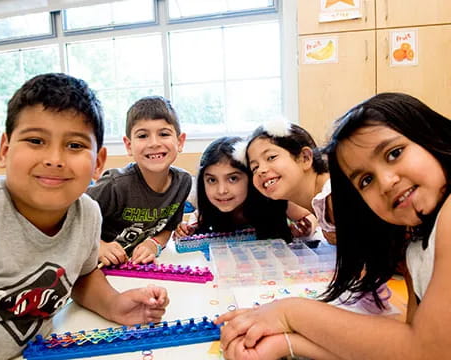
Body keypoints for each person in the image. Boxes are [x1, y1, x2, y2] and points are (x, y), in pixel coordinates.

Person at [216, 92, 451, 359]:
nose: (385, 182)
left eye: (394, 153)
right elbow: (407, 346)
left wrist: (290, 313)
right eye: (365, 181)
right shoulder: (418, 244)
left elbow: (427, 350)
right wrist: (288, 343)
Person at [0, 73, 169, 360]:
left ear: (98, 163)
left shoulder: (87, 214)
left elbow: (82, 275)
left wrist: (114, 304)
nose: (54, 159)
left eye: (75, 145)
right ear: (4, 150)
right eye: (36, 140)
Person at [87, 96, 192, 265]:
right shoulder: (114, 185)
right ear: (129, 145)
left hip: (134, 270)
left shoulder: (183, 182)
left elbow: (168, 228)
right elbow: (69, 218)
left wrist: (153, 244)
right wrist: (99, 246)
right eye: (143, 135)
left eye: (164, 134)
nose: (154, 143)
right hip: (96, 270)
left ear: (180, 142)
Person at [175, 136, 308, 242]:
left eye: (233, 179)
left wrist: (306, 228)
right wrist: (189, 229)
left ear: (250, 178)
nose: (221, 190)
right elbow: (196, 216)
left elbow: (308, 216)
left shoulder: (274, 198)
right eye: (212, 180)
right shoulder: (211, 209)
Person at [244, 119, 336, 244]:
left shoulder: (333, 197)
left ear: (305, 158)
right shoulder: (318, 202)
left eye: (271, 157)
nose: (261, 170)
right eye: (254, 167)